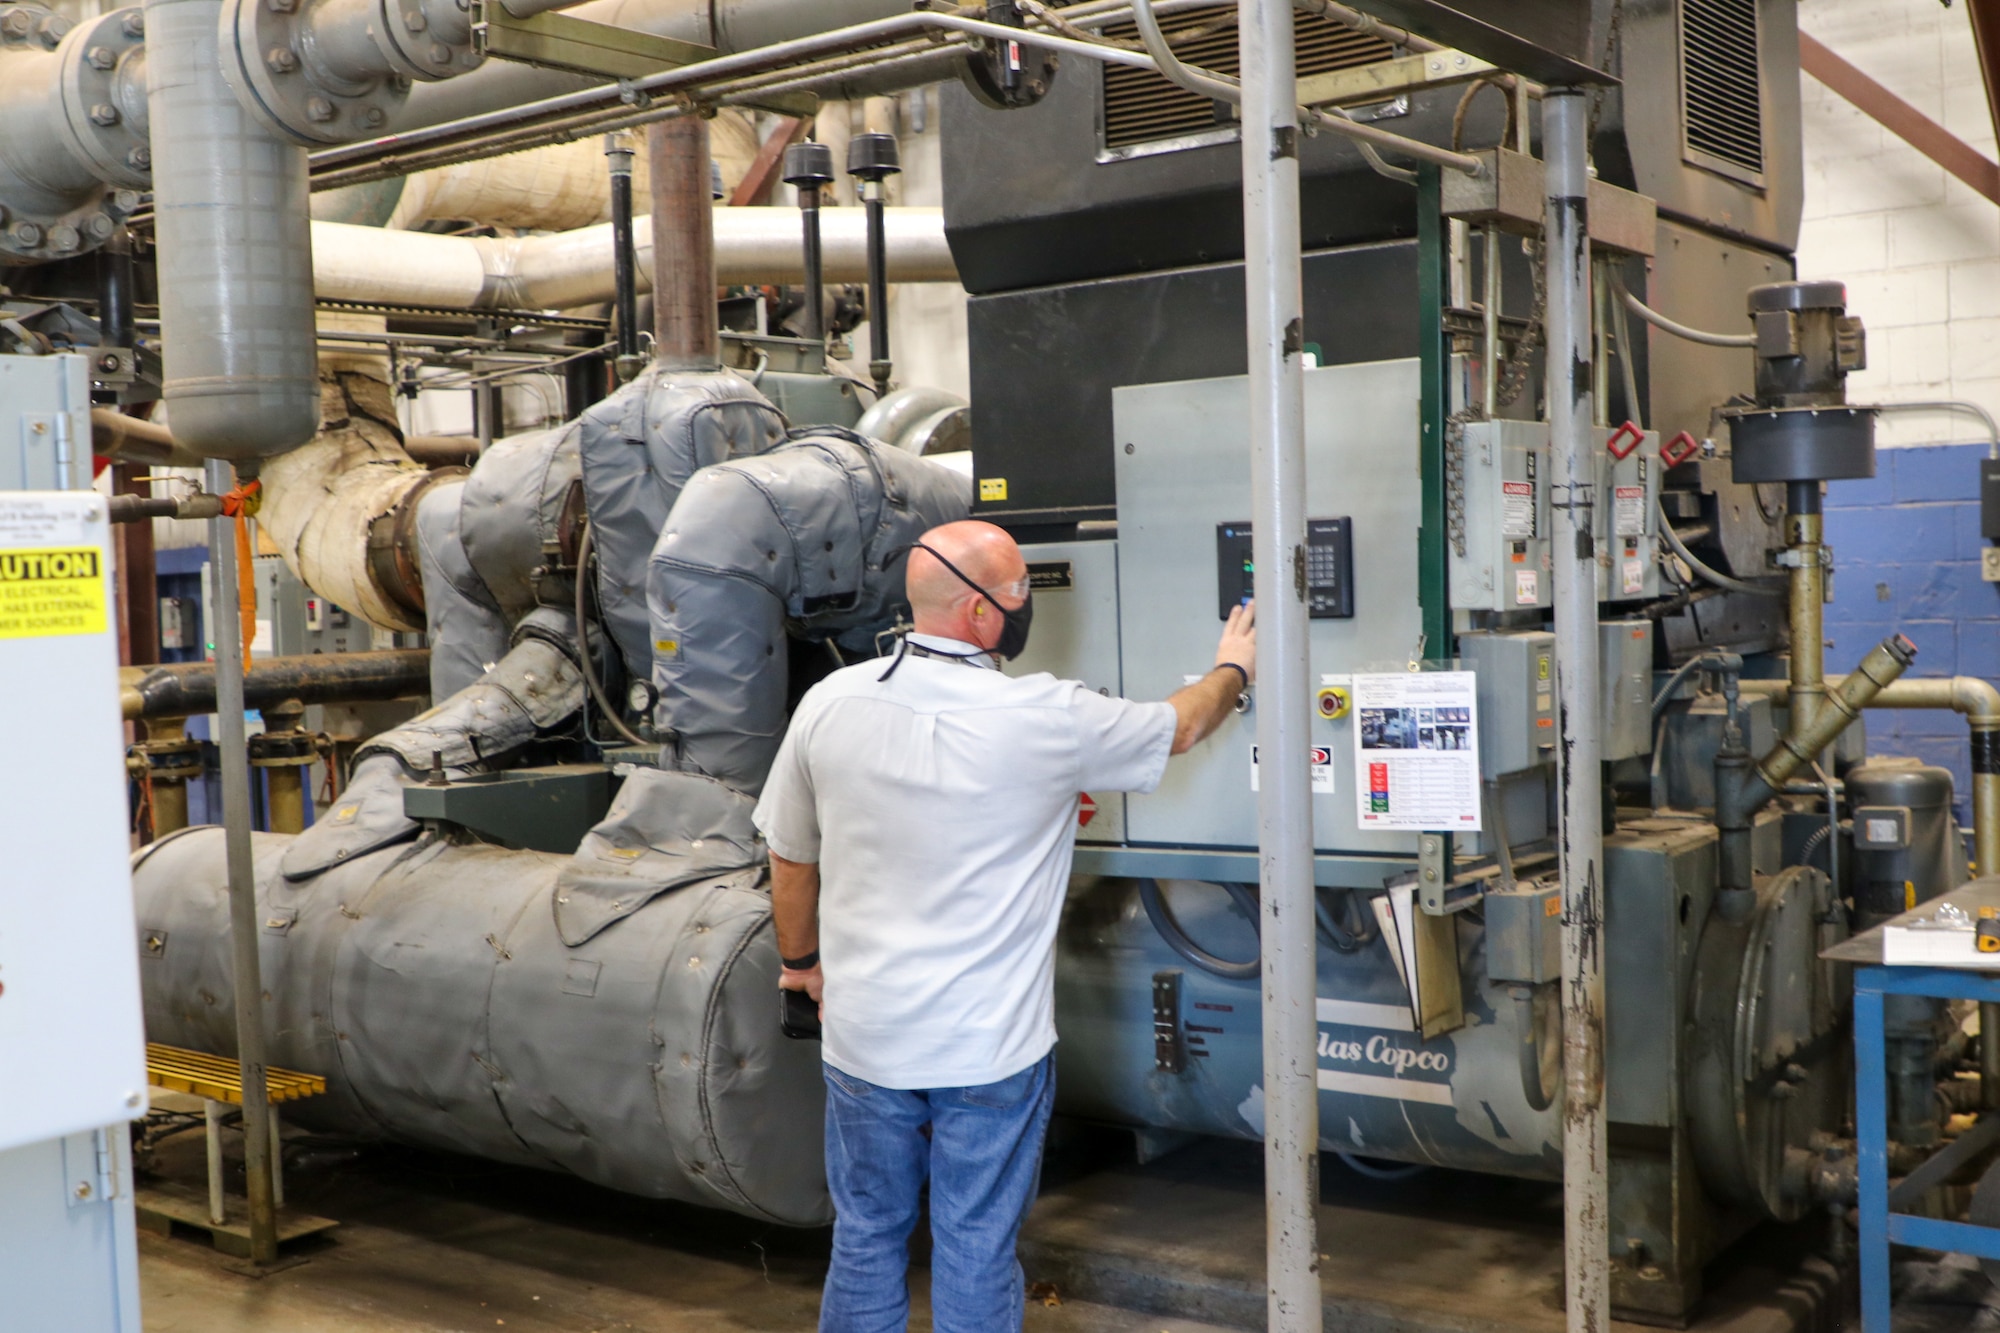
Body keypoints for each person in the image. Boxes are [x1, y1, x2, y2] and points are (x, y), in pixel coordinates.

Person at [752, 518, 1257, 1333]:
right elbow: (1184, 724)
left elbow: (790, 853)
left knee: (869, 1232)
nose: (1027, 602)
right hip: (988, 1049)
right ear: (982, 614)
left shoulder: (829, 704)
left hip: (866, 1037)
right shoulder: (1048, 716)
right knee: (976, 1241)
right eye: (1020, 588)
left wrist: (801, 964)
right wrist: (1235, 664)